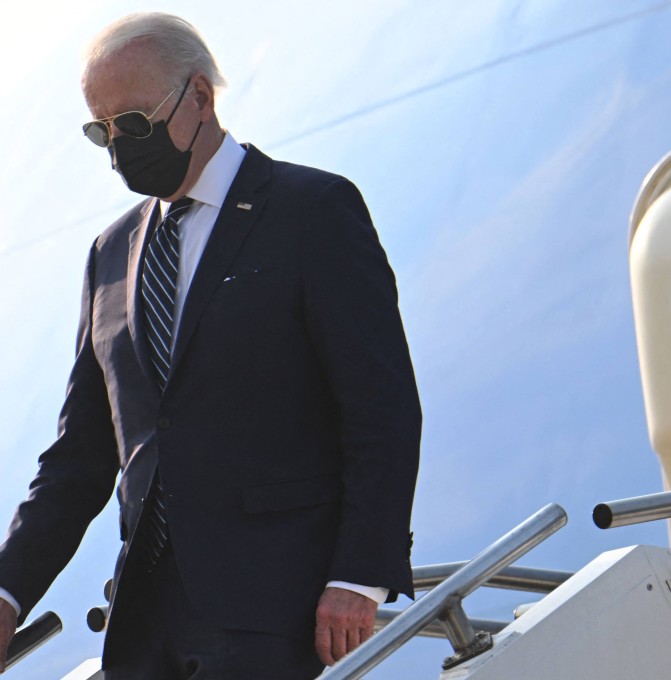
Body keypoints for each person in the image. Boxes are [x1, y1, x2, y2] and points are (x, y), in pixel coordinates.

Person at [0, 12, 421, 678]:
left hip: (276, 610)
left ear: (199, 96)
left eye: (133, 123)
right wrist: (7, 590)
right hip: (146, 628)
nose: (118, 148)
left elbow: (381, 407)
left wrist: (359, 576)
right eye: (101, 131)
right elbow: (80, 456)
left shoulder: (311, 210)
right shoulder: (110, 254)